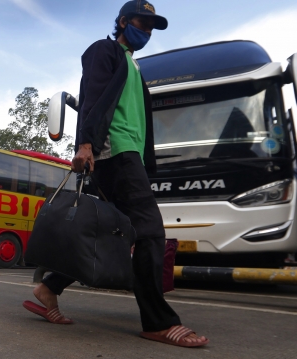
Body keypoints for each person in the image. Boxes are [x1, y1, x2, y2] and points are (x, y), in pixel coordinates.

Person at [23, 0, 209, 348]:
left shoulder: (134, 67)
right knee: (151, 231)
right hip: (115, 153)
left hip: (128, 157)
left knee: (113, 234)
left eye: (152, 27)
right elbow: (91, 94)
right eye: (143, 23)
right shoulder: (104, 50)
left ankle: (48, 289)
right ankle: (157, 321)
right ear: (124, 21)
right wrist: (86, 144)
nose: (148, 32)